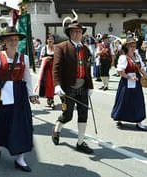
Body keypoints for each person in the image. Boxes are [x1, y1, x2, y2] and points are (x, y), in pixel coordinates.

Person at [0, 26, 40, 172]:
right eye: (10, 39)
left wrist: (32, 95)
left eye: (16, 39)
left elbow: (27, 79)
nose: (14, 42)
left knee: (22, 126)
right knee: (1, 123)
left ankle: (20, 159)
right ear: (5, 41)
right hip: (2, 96)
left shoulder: (24, 58)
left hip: (19, 95)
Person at [52, 20, 94, 154]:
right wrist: (57, 85)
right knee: (68, 115)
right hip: (67, 87)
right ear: (69, 33)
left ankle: (80, 142)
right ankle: (57, 128)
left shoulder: (86, 49)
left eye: (79, 31)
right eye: (74, 31)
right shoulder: (61, 47)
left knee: (83, 114)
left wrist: (91, 86)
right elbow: (56, 68)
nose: (77, 34)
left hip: (83, 86)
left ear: (82, 33)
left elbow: (88, 69)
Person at [111, 37, 147, 131]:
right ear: (126, 46)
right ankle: (119, 117)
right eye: (130, 46)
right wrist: (129, 77)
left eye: (134, 45)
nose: (133, 47)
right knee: (124, 100)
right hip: (126, 81)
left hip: (136, 81)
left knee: (138, 101)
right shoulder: (123, 58)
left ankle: (139, 121)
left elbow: (141, 69)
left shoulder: (137, 56)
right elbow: (120, 71)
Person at [34, 34, 55, 108]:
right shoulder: (44, 49)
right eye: (49, 39)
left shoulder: (55, 49)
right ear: (47, 40)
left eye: (52, 39)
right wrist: (46, 58)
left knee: (54, 84)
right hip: (46, 69)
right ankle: (50, 99)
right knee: (48, 84)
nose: (50, 40)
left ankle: (51, 98)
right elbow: (40, 59)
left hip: (54, 69)